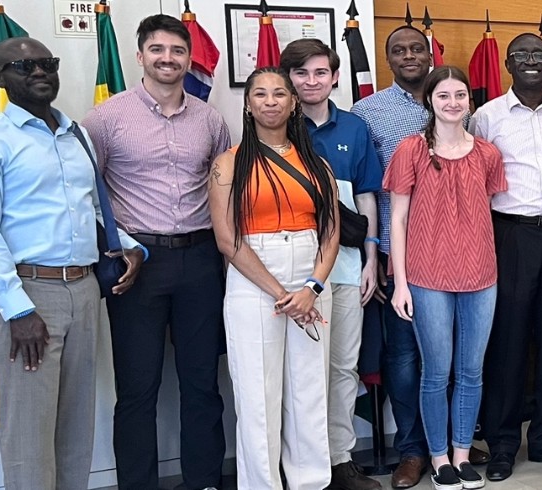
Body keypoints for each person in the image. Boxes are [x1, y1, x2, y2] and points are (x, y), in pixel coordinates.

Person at [0, 37, 145, 489]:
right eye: (22, 65)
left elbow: (94, 209)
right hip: (27, 295)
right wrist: (18, 311)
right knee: (29, 437)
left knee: (76, 428)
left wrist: (132, 246)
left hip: (83, 289)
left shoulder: (76, 136)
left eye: (46, 63)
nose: (39, 72)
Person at [81, 15, 229, 490]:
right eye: (158, 49)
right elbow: (86, 193)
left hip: (202, 260)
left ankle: (204, 480)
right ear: (140, 55)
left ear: (189, 59)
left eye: (177, 51)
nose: (168, 58)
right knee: (138, 389)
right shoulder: (106, 118)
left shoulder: (210, 119)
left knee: (202, 384)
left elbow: (222, 188)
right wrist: (118, 247)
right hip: (136, 264)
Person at [207, 67, 341, 490]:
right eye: (260, 94)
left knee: (309, 388)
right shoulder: (228, 163)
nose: (270, 101)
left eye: (279, 93)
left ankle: (311, 481)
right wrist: (284, 294)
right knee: (257, 395)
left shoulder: (317, 164)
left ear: (293, 102)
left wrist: (312, 287)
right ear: (247, 104)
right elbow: (227, 240)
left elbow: (332, 230)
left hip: (311, 274)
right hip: (253, 277)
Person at [385, 65, 507, 490]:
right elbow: (397, 220)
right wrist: (400, 282)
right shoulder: (411, 150)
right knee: (436, 371)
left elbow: (483, 208)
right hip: (426, 274)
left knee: (471, 371)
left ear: (469, 102)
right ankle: (439, 459)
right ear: (430, 101)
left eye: (460, 96)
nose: (452, 103)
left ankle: (461, 452)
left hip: (480, 274)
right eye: (444, 96)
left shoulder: (488, 153)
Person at [469, 33, 542, 481]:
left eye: (540, 54)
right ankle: (501, 444)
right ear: (507, 64)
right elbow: (475, 176)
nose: (532, 61)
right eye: (522, 55)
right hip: (509, 236)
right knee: (508, 343)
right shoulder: (486, 117)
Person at [280, 38, 384, 490]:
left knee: (343, 367)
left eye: (320, 72)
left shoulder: (355, 128)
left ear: (335, 76)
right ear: (289, 79)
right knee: (301, 373)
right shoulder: (274, 127)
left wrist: (372, 257)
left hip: (344, 269)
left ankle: (340, 460)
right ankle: (304, 463)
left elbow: (366, 196)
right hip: (292, 274)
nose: (311, 81)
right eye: (302, 73)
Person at [351, 25, 437, 488]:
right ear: (389, 60)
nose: (409, 56)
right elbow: (363, 187)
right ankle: (411, 450)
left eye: (416, 48)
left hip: (454, 256)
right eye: (398, 50)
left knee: (449, 356)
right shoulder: (367, 113)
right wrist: (375, 255)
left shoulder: (455, 100)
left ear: (429, 53)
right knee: (403, 358)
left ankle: (447, 442)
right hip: (396, 255)